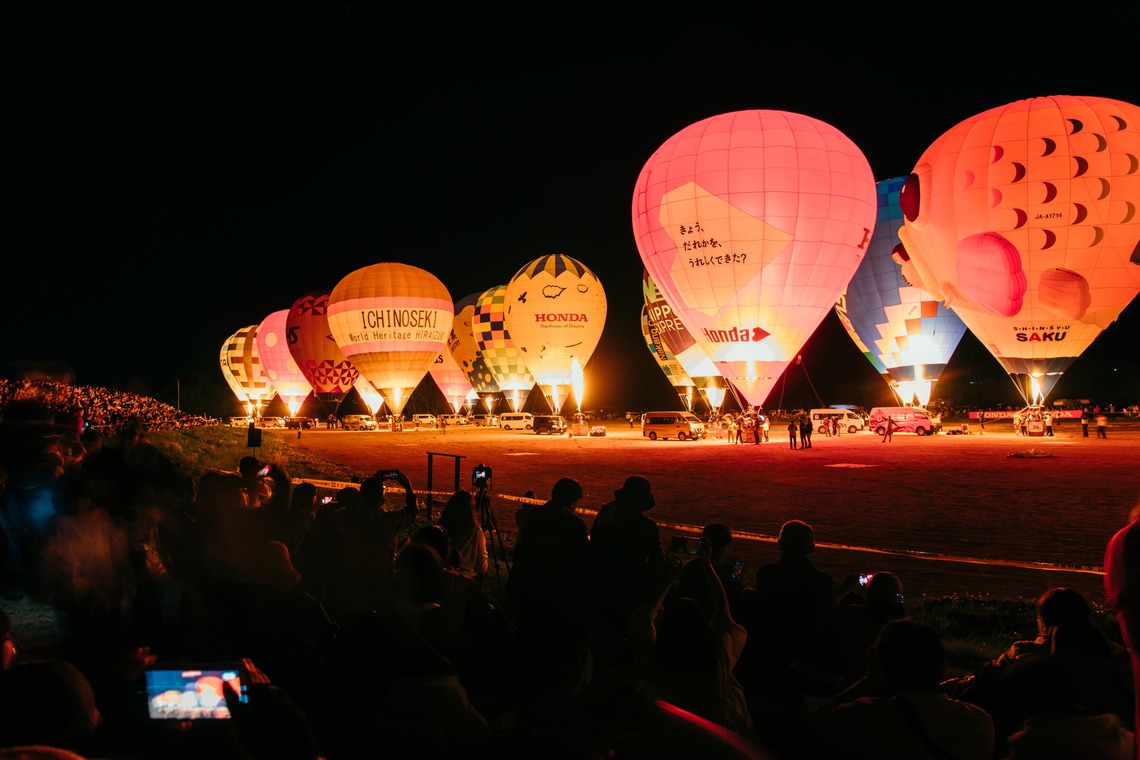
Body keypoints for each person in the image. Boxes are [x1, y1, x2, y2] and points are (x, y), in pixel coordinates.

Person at [813, 619, 995, 760]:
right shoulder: (979, 722)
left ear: (883, 667)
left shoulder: (863, 718)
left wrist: (867, 680)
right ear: (943, 665)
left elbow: (818, 719)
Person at [438, 489, 488, 583]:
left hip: (442, 578)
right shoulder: (475, 532)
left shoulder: (440, 529)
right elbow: (481, 567)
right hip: (464, 581)